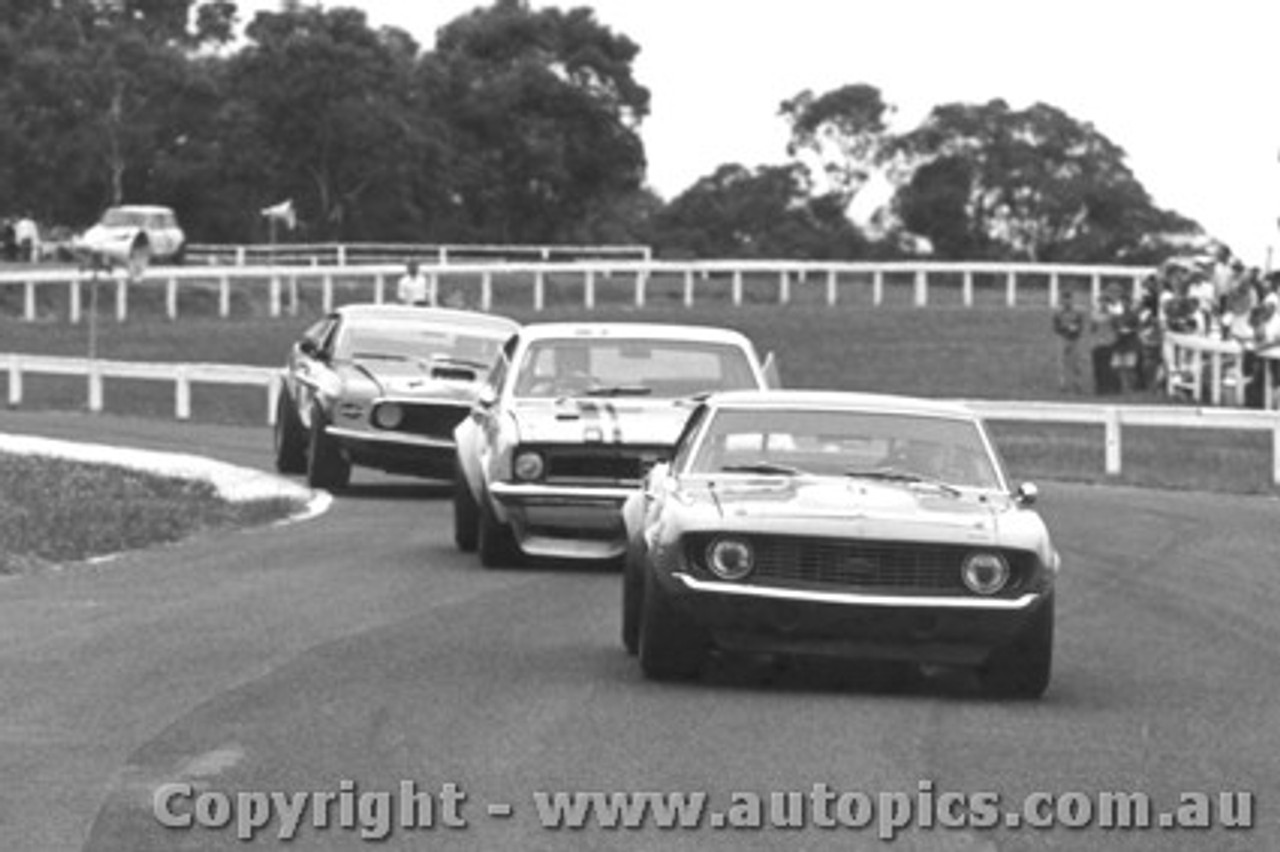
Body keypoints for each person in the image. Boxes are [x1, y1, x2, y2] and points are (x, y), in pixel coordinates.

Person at [1052, 289, 1086, 393]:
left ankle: (1077, 384)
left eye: (1069, 299)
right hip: (1063, 338)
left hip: (1075, 339)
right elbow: (1055, 326)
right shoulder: (1058, 312)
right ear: (1062, 300)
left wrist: (1076, 329)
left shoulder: (1078, 311)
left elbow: (1081, 325)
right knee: (1062, 362)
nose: (1067, 301)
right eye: (1065, 299)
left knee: (1076, 363)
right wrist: (1065, 329)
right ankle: (1063, 384)